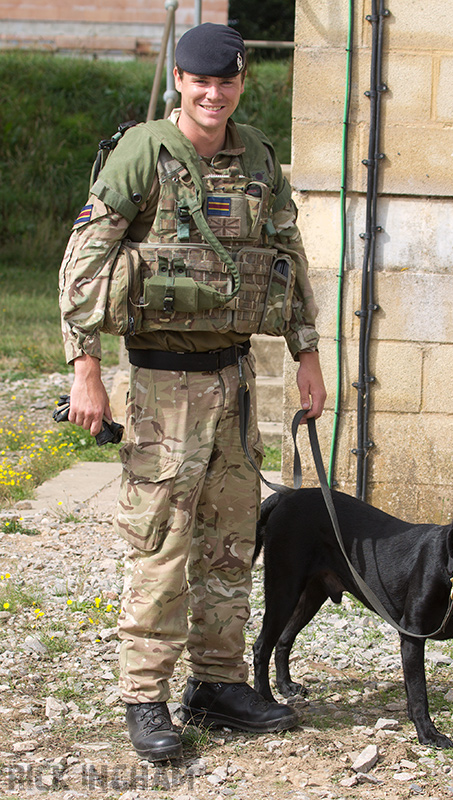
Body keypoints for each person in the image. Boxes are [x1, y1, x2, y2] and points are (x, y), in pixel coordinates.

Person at [59, 22, 326, 762]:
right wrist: (84, 368)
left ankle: (216, 683)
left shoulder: (259, 157)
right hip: (160, 383)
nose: (215, 94)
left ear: (242, 82)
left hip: (234, 380)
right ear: (180, 80)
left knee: (232, 543)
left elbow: (288, 258)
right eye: (201, 81)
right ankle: (145, 696)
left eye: (228, 82)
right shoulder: (142, 153)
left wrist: (308, 355)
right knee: (160, 544)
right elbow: (83, 263)